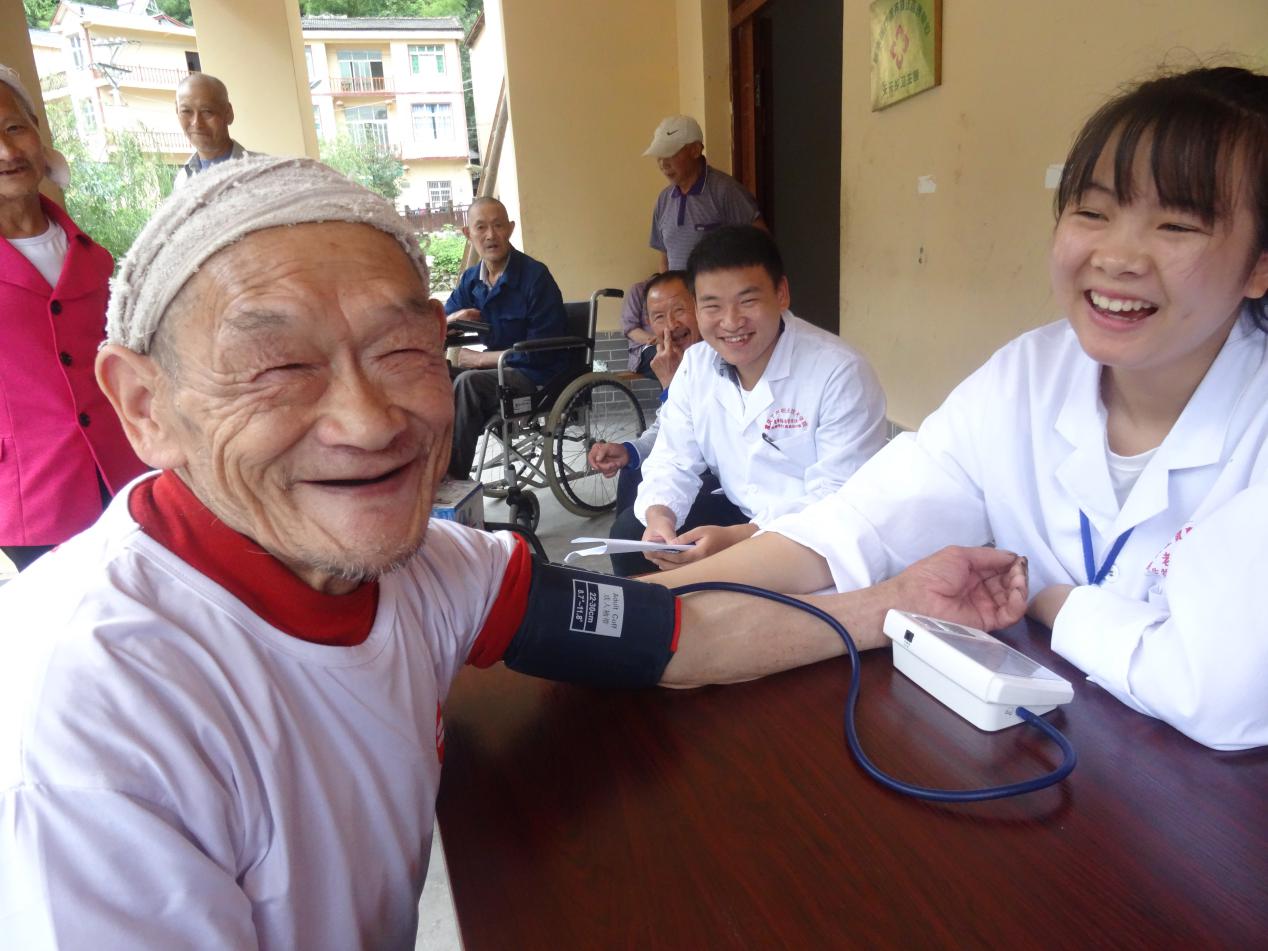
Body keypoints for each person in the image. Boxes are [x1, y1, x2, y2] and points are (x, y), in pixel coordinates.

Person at [0, 155, 1027, 947]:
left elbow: (675, 636)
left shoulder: (430, 570)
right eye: (277, 367)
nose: (366, 421)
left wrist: (900, 600)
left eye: (404, 350)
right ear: (143, 407)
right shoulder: (94, 705)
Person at [655, 66, 1268, 751]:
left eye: (1178, 223)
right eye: (1093, 212)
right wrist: (642, 604)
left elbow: (1218, 693)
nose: (1118, 256)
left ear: (1259, 264)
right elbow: (854, 526)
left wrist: (1047, 598)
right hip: (1018, 759)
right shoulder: (1029, 376)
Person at [614, 226, 887, 576]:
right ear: (697, 308)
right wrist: (660, 518)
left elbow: (837, 498)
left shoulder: (839, 372)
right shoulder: (697, 365)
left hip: (814, 532)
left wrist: (740, 539)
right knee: (631, 537)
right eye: (712, 305)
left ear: (782, 293)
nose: (731, 322)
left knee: (728, 584)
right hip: (739, 509)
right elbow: (672, 458)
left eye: (748, 301)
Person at [0, 65, 147, 572]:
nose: (6, 151)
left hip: (126, 469)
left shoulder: (92, 254)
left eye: (14, 128)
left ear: (37, 131)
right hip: (32, 489)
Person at [588, 271, 746, 564]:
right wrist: (628, 450)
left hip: (728, 481)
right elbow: (669, 430)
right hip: (689, 465)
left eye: (679, 311)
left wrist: (669, 386)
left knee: (629, 529)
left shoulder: (722, 354)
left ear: (699, 309)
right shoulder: (680, 361)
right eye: (658, 317)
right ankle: (645, 559)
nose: (671, 325)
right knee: (633, 472)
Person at [444, 196, 570, 479]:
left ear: (510, 229)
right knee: (435, 376)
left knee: (467, 383)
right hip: (497, 375)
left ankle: (454, 483)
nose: (490, 235)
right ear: (468, 234)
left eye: (498, 225)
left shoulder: (535, 277)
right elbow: (441, 320)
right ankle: (432, 470)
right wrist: (451, 319)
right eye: (481, 227)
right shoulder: (471, 281)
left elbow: (539, 353)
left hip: (536, 375)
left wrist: (479, 360)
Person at [645, 115, 764, 272]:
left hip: (718, 294)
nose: (663, 164)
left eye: (670, 154)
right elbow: (664, 260)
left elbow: (762, 244)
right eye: (659, 156)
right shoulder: (663, 200)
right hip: (679, 296)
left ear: (695, 150)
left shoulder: (725, 191)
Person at [173, 73, 254, 188]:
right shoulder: (182, 181)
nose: (196, 123)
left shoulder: (265, 171)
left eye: (207, 111)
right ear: (177, 111)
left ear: (228, 113)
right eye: (186, 111)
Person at [620, 274, 659, 377]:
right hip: (645, 350)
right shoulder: (638, 290)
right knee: (668, 355)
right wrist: (658, 339)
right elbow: (630, 329)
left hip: (671, 345)